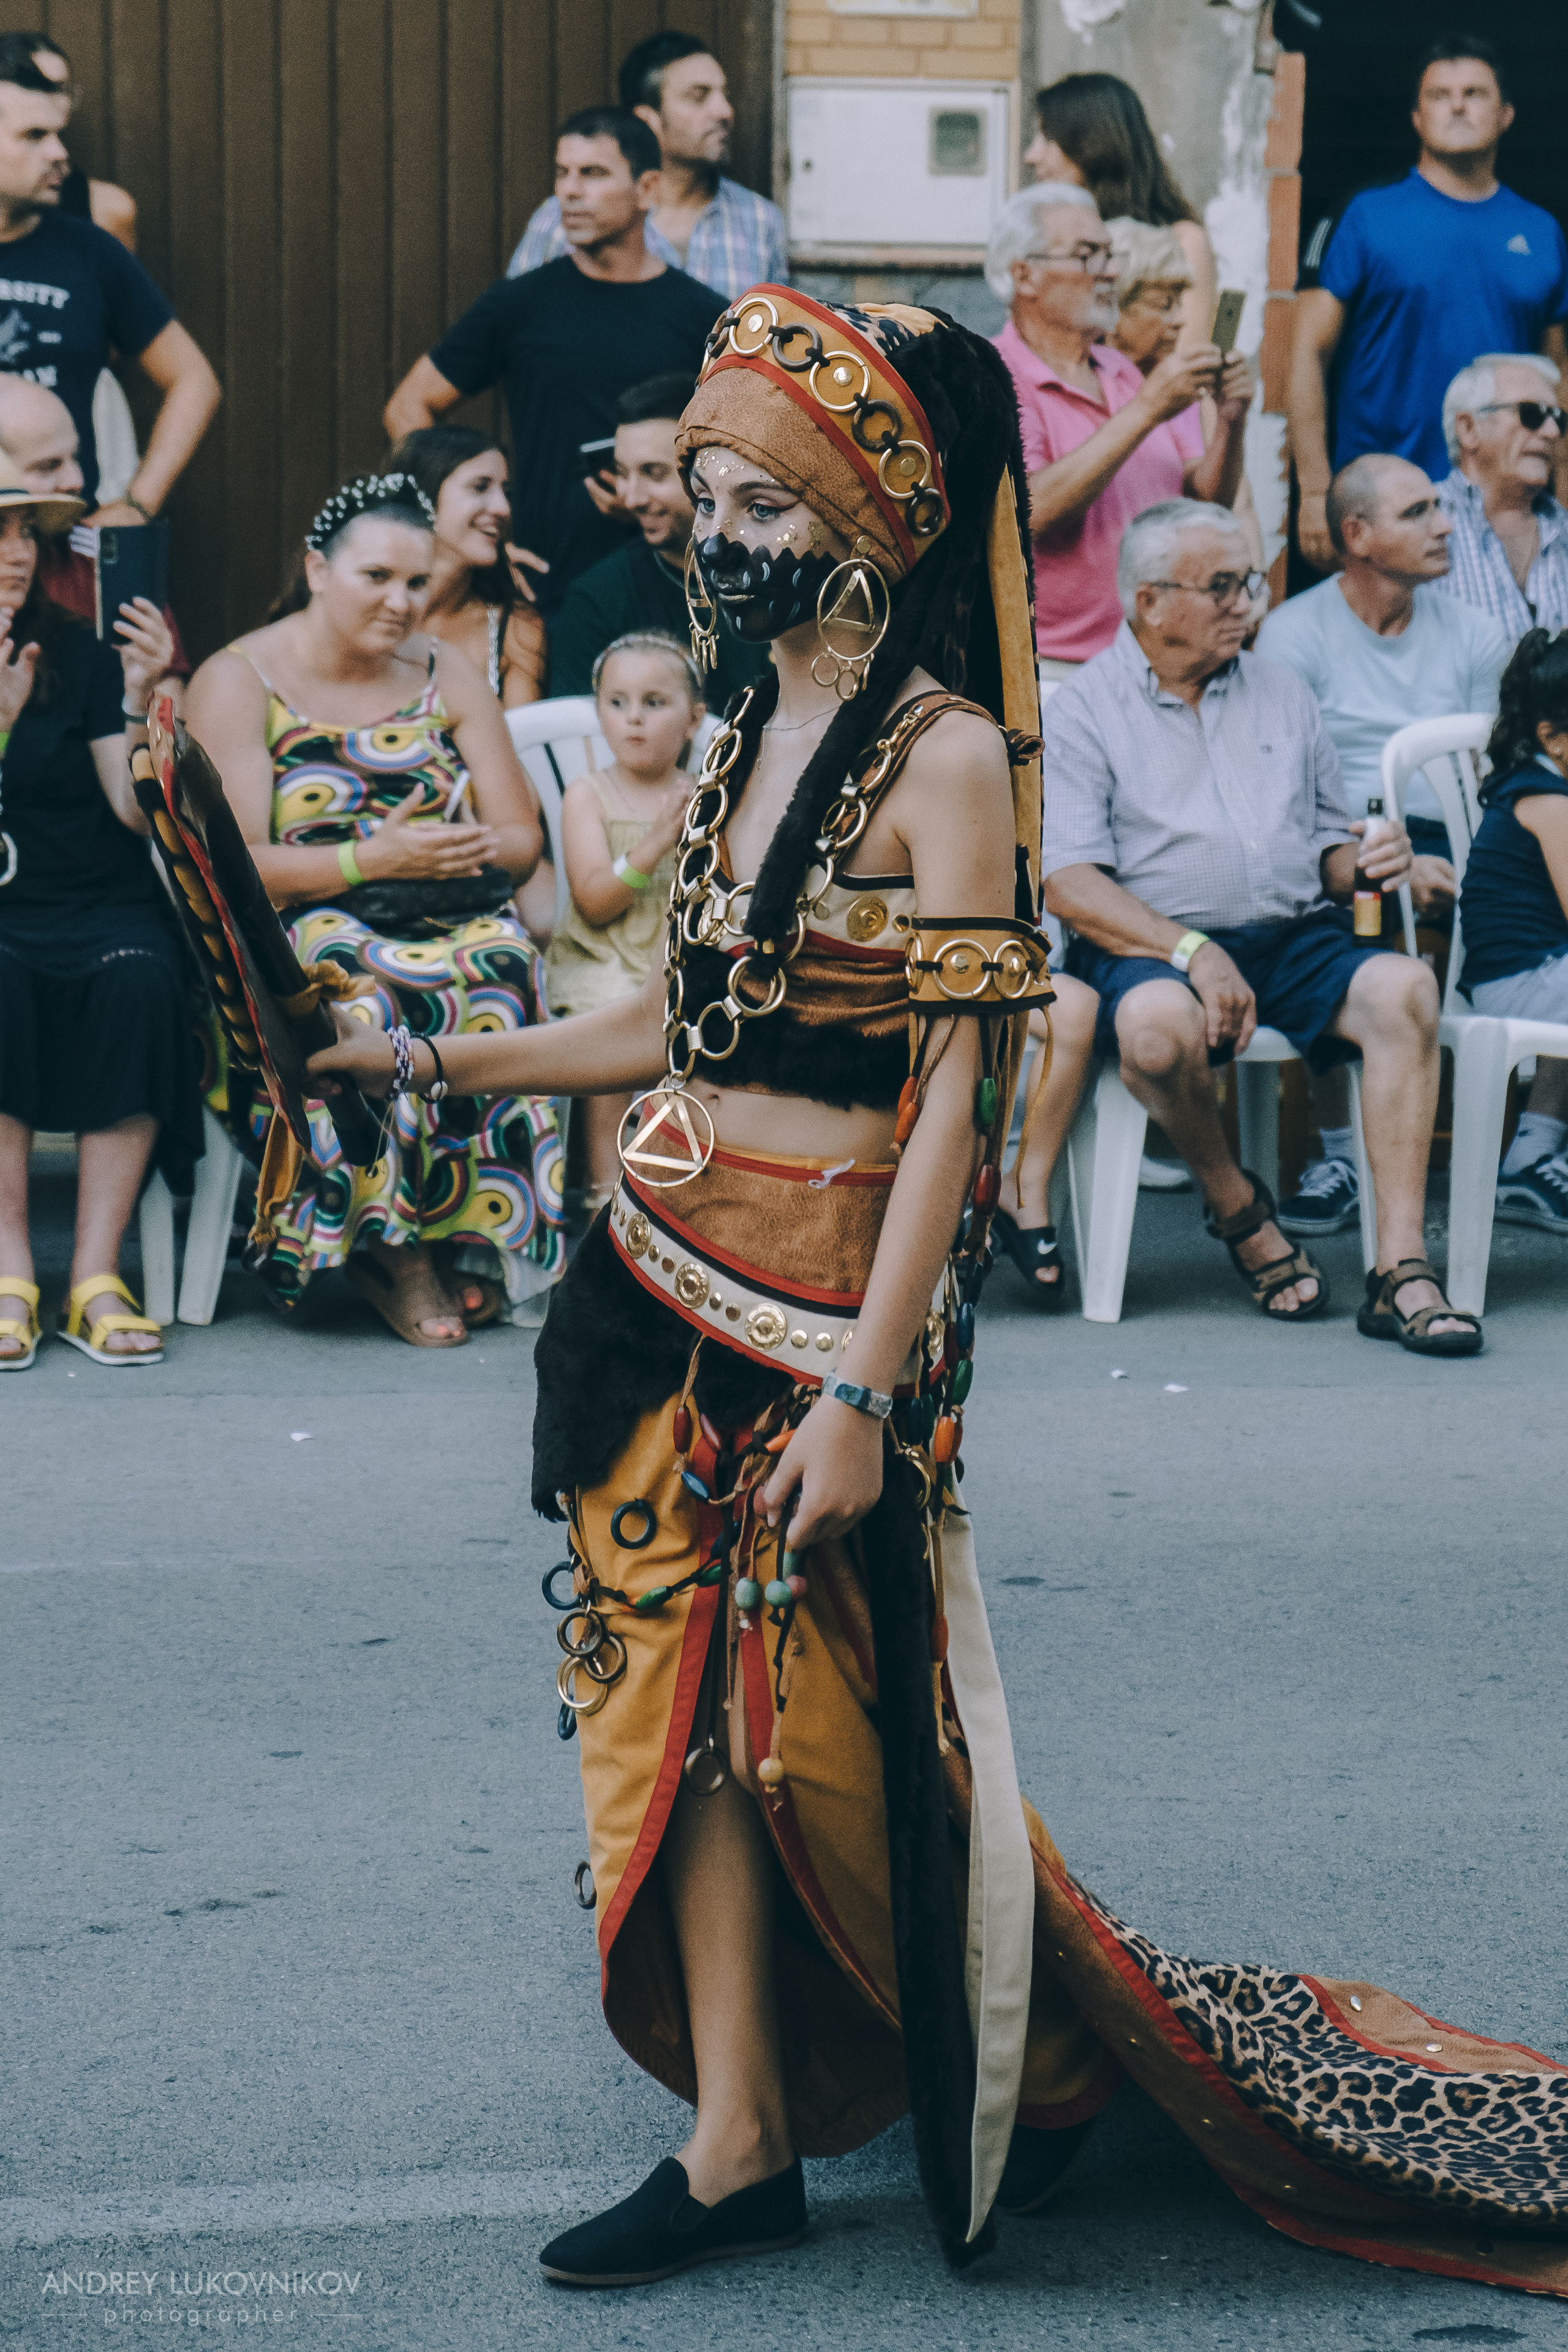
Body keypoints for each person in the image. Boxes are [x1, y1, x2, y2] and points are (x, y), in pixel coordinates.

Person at [307, 292, 1568, 2302]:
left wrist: (862, 1399)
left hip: (818, 1337)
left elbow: (952, 1104)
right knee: (667, 1738)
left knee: (825, 1743)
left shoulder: (947, 753)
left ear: (866, 514)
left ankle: (1042, 2065)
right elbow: (669, 1024)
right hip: (649, 1295)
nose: (709, 526)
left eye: (748, 494)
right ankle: (732, 2142)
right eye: (699, 490)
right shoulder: (740, 733)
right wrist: (436, 1062)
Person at [1041, 496, 1481, 1353]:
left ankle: (1399, 1268)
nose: (1249, 602)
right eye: (1225, 586)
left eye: (1249, 581)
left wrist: (1366, 859)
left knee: (1407, 991)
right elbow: (1069, 881)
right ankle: (1238, 1206)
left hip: (1290, 933)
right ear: (1150, 601)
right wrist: (1192, 951)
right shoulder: (1086, 709)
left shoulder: (1281, 689)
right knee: (1158, 1033)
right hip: (1151, 941)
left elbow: (1325, 841)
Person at [184, 472, 564, 1345]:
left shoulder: (446, 669)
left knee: (504, 968)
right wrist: (368, 856)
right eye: (377, 579)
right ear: (317, 569)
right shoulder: (243, 678)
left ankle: (472, 1230)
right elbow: (233, 872)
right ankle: (396, 1254)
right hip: (305, 929)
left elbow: (518, 838)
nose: (402, 602)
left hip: (441, 901)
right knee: (362, 991)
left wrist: (445, 848)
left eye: (416, 582)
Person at [1257, 453, 1510, 1239]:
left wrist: (1467, 861)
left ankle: (1537, 1145)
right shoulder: (1292, 635)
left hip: (1456, 831)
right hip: (1339, 832)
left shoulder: (1477, 634)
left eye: (1441, 507)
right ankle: (1337, 1154)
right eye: (1418, 513)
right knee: (1329, 921)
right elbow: (1285, 787)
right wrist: (1377, 855)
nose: (1445, 526)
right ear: (1356, 535)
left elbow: (1488, 775)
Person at [0, 454, 194, 1369]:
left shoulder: (74, 647)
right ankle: (7, 1270)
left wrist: (136, 693)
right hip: (5, 916)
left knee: (145, 981)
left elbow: (130, 808)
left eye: (24, 534)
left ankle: (93, 1276)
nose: (13, 555)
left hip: (95, 899)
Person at [384, 110, 723, 613]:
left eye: (593, 174)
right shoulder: (520, 304)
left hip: (675, 585)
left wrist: (668, 499)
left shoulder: (704, 314)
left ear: (647, 189)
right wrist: (465, 538)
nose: (569, 191)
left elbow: (742, 447)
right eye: (563, 173)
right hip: (543, 588)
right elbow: (409, 407)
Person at [1289, 36, 1568, 575]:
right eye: (1440, 95)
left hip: (1502, 503)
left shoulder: (1541, 230)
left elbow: (1557, 381)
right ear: (1418, 118)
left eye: (1474, 93)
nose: (1458, 106)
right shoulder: (1366, 214)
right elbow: (1306, 354)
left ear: (1506, 114)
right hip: (1383, 502)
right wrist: (1314, 488)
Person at [988, 184, 1250, 674]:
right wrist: (1147, 410)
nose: (1109, 271)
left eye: (1110, 255)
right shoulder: (996, 375)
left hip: (1153, 656)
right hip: (1055, 665)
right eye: (1088, 256)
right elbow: (1030, 509)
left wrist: (1232, 422)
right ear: (1025, 275)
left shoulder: (1124, 371)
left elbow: (1202, 505)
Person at [0, 37, 220, 523]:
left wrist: (138, 505)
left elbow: (194, 380)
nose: (60, 152)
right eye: (35, 135)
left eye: (59, 133)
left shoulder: (90, 250)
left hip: (63, 541)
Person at [545, 631, 703, 1205]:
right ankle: (603, 1196)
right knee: (610, 1030)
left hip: (677, 959)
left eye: (654, 703)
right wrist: (661, 840)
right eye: (617, 703)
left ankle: (671, 1195)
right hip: (601, 959)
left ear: (694, 719)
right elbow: (595, 901)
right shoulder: (589, 795)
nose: (633, 719)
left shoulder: (707, 794)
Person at [508, 31, 786, 302]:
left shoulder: (760, 220)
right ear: (647, 120)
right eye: (699, 96)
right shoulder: (563, 218)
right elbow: (512, 326)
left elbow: (779, 338)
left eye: (724, 95)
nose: (725, 111)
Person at [548, 372, 770, 709]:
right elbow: (579, 741)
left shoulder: (778, 569)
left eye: (654, 473)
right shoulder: (599, 598)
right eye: (622, 473)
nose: (631, 498)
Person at [1455, 629, 1568, 1232]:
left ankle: (1530, 1157)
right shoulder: (1547, 801)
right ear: (1552, 737)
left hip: (1541, 970)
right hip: (1519, 981)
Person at [0, 373, 189, 690]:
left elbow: (170, 714)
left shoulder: (101, 559)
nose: (77, 481)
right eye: (48, 466)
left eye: (75, 457)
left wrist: (143, 693)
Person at [1025, 72, 1216, 358]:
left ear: (1095, 145)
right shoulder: (1046, 241)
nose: (1032, 155)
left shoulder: (1183, 242)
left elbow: (1183, 376)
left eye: (1049, 139)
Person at [384, 425, 546, 709]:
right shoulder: (362, 610)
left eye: (506, 492)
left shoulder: (516, 629)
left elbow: (521, 746)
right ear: (425, 492)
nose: (503, 508)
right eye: (480, 487)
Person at [1435, 352, 1568, 636]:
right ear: (1468, 429)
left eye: (1560, 419)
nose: (1552, 431)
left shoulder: (1563, 527)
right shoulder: (1419, 522)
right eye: (1531, 414)